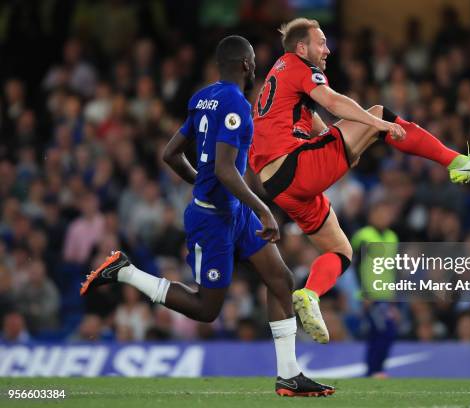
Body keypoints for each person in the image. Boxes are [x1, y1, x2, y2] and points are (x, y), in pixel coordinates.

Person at [80, 35, 333, 397]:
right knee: (206, 309)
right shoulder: (236, 104)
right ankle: (125, 271)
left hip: (235, 211)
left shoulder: (202, 98)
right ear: (246, 65)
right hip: (213, 220)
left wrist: (206, 183)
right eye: (253, 61)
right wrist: (264, 210)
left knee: (281, 279)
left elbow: (171, 154)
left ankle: (289, 374)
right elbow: (227, 171)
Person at [249, 18, 470, 343]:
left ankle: (310, 294)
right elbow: (332, 101)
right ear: (302, 48)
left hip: (279, 186)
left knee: (341, 250)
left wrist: (341, 140)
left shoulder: (279, 74)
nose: (327, 49)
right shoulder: (301, 67)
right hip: (296, 166)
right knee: (381, 113)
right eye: (321, 42)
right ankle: (456, 162)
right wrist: (374, 125)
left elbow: (309, 118)